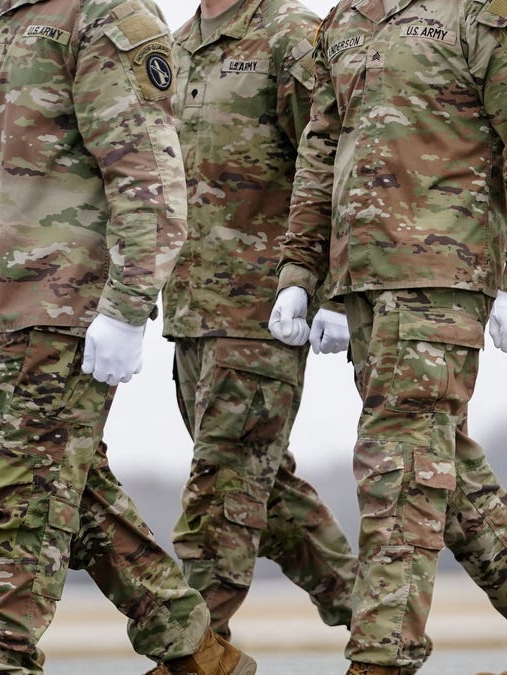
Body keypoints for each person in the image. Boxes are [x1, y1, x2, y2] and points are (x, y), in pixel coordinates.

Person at [0, 0, 254, 672]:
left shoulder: (103, 17)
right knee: (73, 493)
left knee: (21, 500)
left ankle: (0, 659)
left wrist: (128, 304)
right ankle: (196, 650)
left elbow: (147, 175)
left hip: (67, 304)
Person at [271, 0, 507, 673]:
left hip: (441, 272)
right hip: (363, 282)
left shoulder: (484, 12)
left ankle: (381, 658)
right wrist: (302, 270)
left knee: (398, 467)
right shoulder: (345, 22)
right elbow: (323, 148)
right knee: (442, 467)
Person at [166, 0, 357, 642]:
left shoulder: (293, 37)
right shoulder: (177, 44)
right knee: (263, 489)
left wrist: (327, 289)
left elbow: (333, 166)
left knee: (220, 495)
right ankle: (374, 615)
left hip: (263, 311)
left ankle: (194, 651)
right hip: (190, 310)